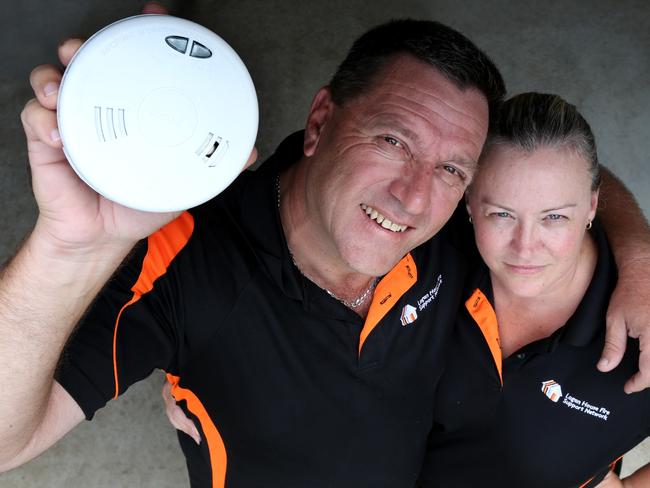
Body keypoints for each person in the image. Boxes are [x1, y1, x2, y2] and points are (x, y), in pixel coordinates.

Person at [2, 3, 650, 486]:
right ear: (320, 123)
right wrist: (69, 244)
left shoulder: (457, 226)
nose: (413, 197)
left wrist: (640, 253)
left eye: (453, 168)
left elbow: (558, 171)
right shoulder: (185, 258)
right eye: (393, 141)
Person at [418, 93, 650, 487]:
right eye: (502, 214)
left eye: (554, 217)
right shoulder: (431, 247)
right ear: (469, 202)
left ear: (593, 205)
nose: (525, 247)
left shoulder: (642, 327)